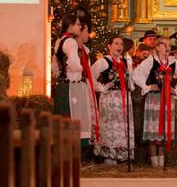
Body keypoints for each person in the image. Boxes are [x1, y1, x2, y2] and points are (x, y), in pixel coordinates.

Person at [132, 36, 177, 167]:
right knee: (154, 131)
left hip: (168, 100)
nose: (167, 47)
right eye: (164, 44)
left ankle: (161, 162)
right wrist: (147, 86)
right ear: (157, 47)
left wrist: (176, 89)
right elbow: (136, 74)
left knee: (164, 130)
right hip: (154, 99)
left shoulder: (173, 62)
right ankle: (154, 162)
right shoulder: (151, 60)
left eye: (169, 45)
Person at [90, 36, 135, 165]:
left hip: (124, 98)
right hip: (110, 98)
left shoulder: (126, 61)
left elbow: (130, 78)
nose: (119, 46)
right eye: (116, 43)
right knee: (111, 125)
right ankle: (109, 156)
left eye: (121, 44)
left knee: (122, 126)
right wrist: (102, 88)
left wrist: (130, 87)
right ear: (109, 46)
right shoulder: (103, 61)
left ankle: (121, 154)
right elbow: (90, 76)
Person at [51, 13, 94, 146]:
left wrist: (63, 70)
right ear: (70, 26)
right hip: (73, 86)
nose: (80, 27)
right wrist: (81, 68)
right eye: (78, 24)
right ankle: (72, 157)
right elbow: (75, 64)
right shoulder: (70, 42)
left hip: (64, 85)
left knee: (64, 118)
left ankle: (64, 156)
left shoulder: (60, 40)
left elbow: (54, 67)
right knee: (73, 119)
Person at [77, 22, 99, 158]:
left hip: (85, 85)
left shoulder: (85, 50)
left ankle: (84, 153)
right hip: (76, 85)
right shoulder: (71, 47)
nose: (88, 34)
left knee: (86, 116)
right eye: (86, 31)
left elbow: (89, 70)